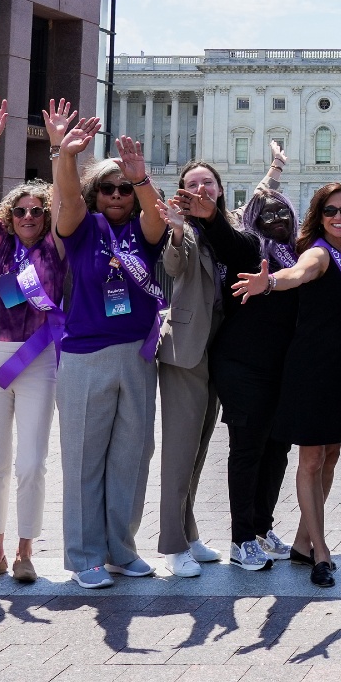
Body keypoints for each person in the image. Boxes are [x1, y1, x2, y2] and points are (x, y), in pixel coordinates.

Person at [50, 119, 168, 589]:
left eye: (123, 189)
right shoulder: (82, 228)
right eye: (108, 189)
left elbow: (156, 216)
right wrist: (67, 155)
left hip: (136, 355)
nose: (116, 196)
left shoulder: (143, 229)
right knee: (83, 458)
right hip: (85, 356)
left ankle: (121, 548)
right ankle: (85, 556)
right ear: (95, 194)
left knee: (131, 457)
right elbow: (68, 199)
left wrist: (142, 179)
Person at [239, 181, 341, 587]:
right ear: (318, 215)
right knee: (311, 459)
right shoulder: (318, 252)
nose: (338, 217)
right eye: (330, 210)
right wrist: (270, 282)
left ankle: (301, 541)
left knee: (330, 455)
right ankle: (321, 552)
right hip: (312, 369)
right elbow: (298, 274)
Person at [172, 175, 301, 572]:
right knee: (248, 449)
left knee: (277, 449)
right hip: (243, 365)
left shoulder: (298, 254)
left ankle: (262, 528)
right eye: (268, 214)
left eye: (283, 212)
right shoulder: (250, 248)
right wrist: (209, 212)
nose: (277, 219)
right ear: (254, 220)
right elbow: (226, 238)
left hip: (283, 368)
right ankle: (241, 539)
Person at [0, 98, 65, 588]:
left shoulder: (56, 243)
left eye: (36, 210)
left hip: (39, 358)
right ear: (10, 215)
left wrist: (58, 147)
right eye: (20, 210)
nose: (27, 216)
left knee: (30, 463)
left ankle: (26, 551)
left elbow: (65, 197)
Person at [153, 157, 228, 578]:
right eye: (193, 183)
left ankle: (189, 531)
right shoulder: (183, 230)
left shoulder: (228, 226)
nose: (202, 189)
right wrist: (178, 228)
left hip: (219, 347)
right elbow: (174, 265)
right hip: (184, 348)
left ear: (219, 188)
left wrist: (275, 170)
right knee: (180, 452)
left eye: (208, 183)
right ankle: (172, 544)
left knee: (199, 449)